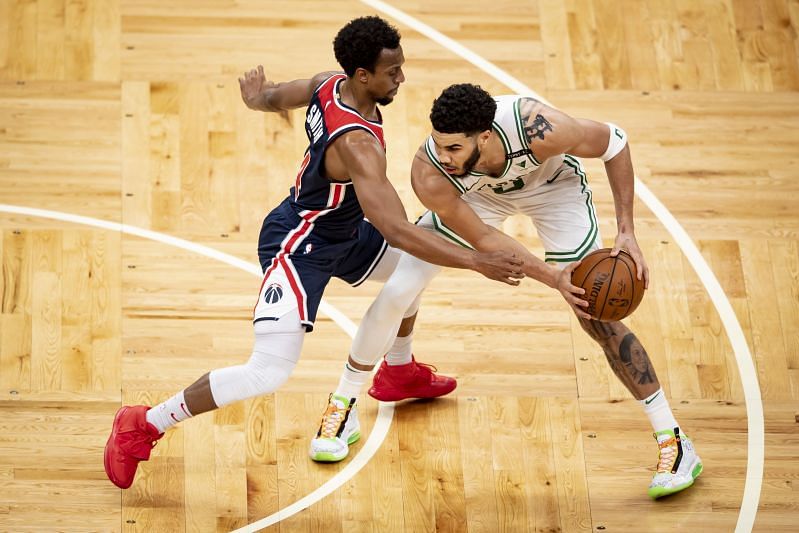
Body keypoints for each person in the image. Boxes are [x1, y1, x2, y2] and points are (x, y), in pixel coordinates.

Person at [103, 18, 524, 490]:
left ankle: (399, 369)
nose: (401, 78)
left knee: (412, 274)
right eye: (393, 72)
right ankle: (145, 422)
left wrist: (256, 97)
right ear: (363, 75)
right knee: (268, 371)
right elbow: (396, 229)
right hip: (299, 244)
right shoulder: (360, 146)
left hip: (341, 231)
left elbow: (277, 95)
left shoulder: (330, 83)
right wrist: (475, 261)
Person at [315, 83, 703, 500]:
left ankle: (675, 443)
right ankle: (346, 405)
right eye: (439, 145)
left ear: (484, 136)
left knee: (595, 310)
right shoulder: (431, 171)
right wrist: (548, 275)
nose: (443, 156)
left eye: (454, 149)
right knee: (400, 286)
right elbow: (482, 237)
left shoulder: (541, 128)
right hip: (479, 199)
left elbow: (615, 141)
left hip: (552, 189)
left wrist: (626, 228)